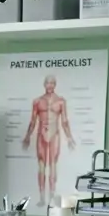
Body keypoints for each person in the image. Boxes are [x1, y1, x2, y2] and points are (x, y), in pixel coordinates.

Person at [23, 74, 76, 207]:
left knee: (53, 165)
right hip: (41, 134)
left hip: (55, 135)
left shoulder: (61, 101)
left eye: (52, 83)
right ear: (44, 84)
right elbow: (33, 120)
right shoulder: (37, 101)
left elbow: (64, 121)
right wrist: (28, 136)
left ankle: (52, 197)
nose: (50, 85)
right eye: (48, 83)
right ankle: (41, 197)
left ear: (55, 85)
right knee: (41, 165)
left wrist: (69, 137)